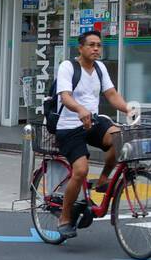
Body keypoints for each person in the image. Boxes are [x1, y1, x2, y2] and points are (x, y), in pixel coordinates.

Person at [53, 30, 133, 237]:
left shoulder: (100, 68)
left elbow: (112, 95)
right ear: (80, 48)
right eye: (91, 45)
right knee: (80, 171)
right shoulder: (68, 67)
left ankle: (104, 179)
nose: (96, 49)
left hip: (93, 122)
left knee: (119, 137)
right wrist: (80, 110)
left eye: (98, 45)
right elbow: (65, 96)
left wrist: (128, 109)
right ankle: (65, 216)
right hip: (69, 127)